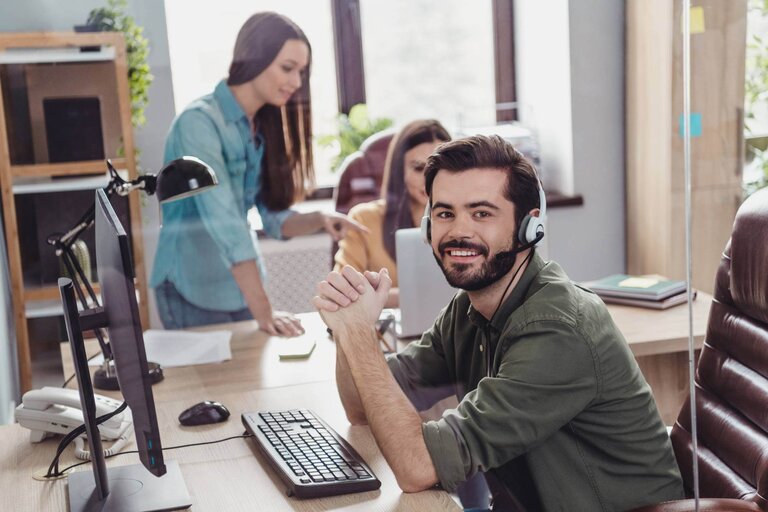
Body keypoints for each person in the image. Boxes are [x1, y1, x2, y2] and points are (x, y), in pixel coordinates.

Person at [313, 135, 684, 510]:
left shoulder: (557, 329)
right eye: (445, 214)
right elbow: (360, 408)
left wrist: (360, 334)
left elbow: (417, 467)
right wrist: (348, 323)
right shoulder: (470, 309)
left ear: (530, 226)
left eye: (482, 213)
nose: (459, 231)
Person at [151, 12, 364, 335]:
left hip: (238, 289)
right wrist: (265, 311)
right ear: (253, 59)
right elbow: (227, 225)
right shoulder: (198, 124)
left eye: (301, 72)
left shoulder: (262, 127)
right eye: (287, 68)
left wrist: (320, 219)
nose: (296, 82)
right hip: (191, 289)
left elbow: (272, 217)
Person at [333, 119, 450, 307]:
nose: (428, 179)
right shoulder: (364, 219)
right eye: (419, 168)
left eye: (438, 168)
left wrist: (383, 296)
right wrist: (421, 297)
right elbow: (342, 294)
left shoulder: (462, 221)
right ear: (399, 170)